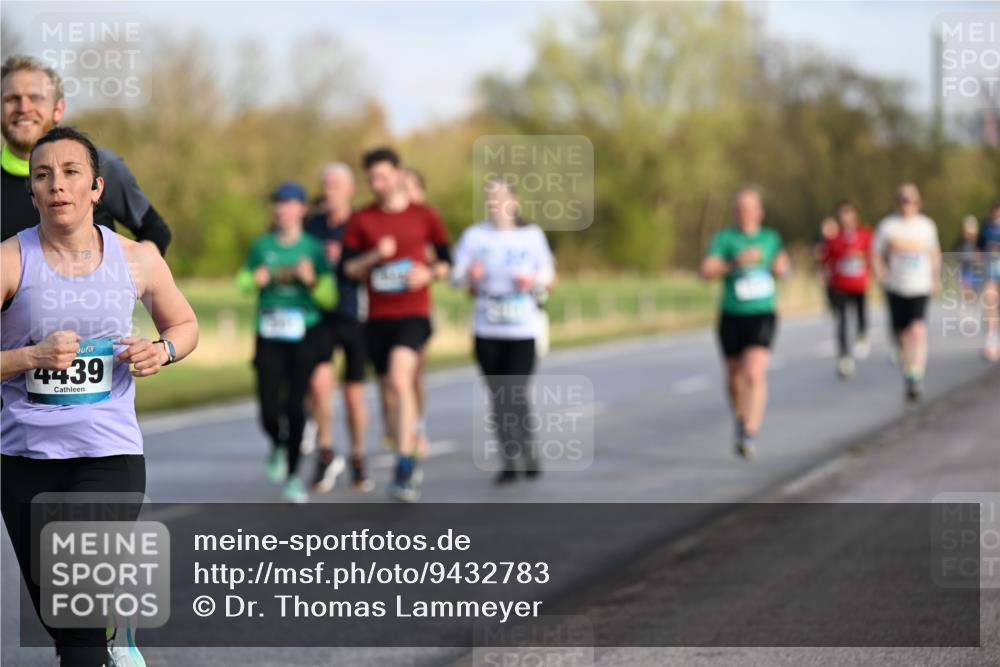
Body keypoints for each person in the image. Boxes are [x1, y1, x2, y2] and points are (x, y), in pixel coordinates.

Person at [0, 126, 197, 667]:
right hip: (24, 460)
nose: (56, 185)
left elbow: (183, 323)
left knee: (79, 604)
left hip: (108, 453)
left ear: (96, 189)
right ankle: (112, 623)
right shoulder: (9, 262)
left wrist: (165, 350)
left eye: (70, 173)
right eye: (43, 176)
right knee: (68, 631)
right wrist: (29, 358)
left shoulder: (137, 260)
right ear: (32, 192)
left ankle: (112, 614)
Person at [343, 147, 451, 502]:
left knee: (402, 374)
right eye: (372, 178)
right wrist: (376, 256)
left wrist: (429, 273)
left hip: (414, 313)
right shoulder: (363, 220)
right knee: (387, 388)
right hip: (377, 318)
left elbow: (448, 262)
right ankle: (401, 440)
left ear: (399, 174)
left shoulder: (424, 216)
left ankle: (405, 464)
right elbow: (348, 269)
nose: (377, 183)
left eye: (383, 176)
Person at [1, 55, 171, 254]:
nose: (24, 108)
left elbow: (155, 231)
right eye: (12, 99)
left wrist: (126, 274)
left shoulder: (102, 165)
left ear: (58, 109)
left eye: (35, 98)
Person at [237, 182, 336, 503]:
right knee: (268, 409)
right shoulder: (261, 246)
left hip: (302, 334)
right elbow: (243, 282)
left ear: (302, 209)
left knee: (295, 407)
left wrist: (311, 280)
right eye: (278, 204)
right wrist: (256, 280)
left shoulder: (312, 248)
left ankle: (293, 475)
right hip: (269, 333)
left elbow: (329, 297)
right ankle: (277, 444)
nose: (282, 210)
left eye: (289, 204)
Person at [451, 178, 556, 483]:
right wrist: (468, 275)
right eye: (490, 198)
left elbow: (548, 273)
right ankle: (509, 457)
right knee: (498, 395)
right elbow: (455, 276)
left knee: (516, 392)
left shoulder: (530, 236)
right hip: (487, 325)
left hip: (522, 327)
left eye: (501, 197)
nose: (495, 203)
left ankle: (528, 446)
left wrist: (532, 281)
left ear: (515, 201)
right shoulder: (474, 236)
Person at [700, 187, 790, 459]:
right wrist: (735, 262)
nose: (745, 212)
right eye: (740, 207)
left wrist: (780, 268)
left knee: (754, 373)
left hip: (761, 313)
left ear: (759, 212)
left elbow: (784, 267)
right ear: (734, 211)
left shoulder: (770, 238)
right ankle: (741, 419)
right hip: (731, 313)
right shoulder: (725, 239)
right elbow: (705, 271)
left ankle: (750, 430)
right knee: (733, 378)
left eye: (750, 207)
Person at [304, 163, 372, 492]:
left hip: (354, 314)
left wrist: (345, 260)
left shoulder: (362, 224)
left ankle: (358, 455)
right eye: (324, 184)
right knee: (318, 384)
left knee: (353, 394)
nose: (328, 190)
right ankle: (326, 452)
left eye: (334, 184)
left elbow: (375, 265)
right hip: (319, 316)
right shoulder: (312, 225)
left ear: (349, 190)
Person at [872, 183, 941, 403]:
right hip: (896, 286)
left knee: (918, 330)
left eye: (911, 200)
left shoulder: (926, 226)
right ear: (897, 202)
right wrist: (880, 273)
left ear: (918, 202)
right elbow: (875, 253)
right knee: (902, 336)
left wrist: (935, 277)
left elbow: (934, 252)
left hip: (919, 286)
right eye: (903, 200)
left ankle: (916, 375)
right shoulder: (888, 226)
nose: (907, 204)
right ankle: (908, 372)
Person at [817, 201, 873, 378]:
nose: (846, 218)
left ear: (855, 216)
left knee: (860, 313)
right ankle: (844, 357)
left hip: (859, 283)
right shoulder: (834, 238)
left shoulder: (866, 234)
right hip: (840, 285)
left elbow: (873, 255)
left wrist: (860, 257)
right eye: (843, 214)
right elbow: (825, 261)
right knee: (841, 321)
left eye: (849, 213)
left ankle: (862, 334)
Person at [978, 201, 1000, 362]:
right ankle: (991, 342)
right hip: (990, 272)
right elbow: (978, 249)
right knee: (990, 305)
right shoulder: (986, 228)